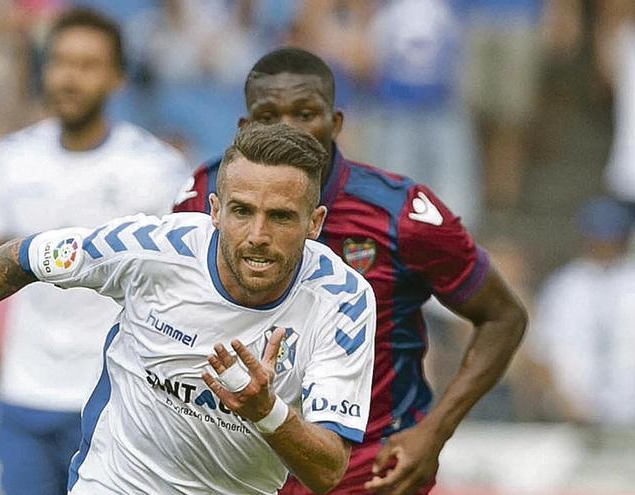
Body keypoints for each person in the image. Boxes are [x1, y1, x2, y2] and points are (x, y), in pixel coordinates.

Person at [0, 123, 378, 495]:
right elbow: (22, 256)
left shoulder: (344, 301)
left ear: (315, 223)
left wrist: (267, 411)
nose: (258, 235)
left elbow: (328, 469)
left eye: (281, 217)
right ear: (214, 210)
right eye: (241, 212)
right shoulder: (151, 248)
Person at [173, 48, 528, 495]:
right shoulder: (203, 197)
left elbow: (503, 316)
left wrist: (434, 432)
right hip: (239, 471)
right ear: (244, 127)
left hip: (366, 470)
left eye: (305, 113)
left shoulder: (399, 214)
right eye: (268, 115)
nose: (288, 129)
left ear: (335, 123)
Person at [0, 8, 187, 495]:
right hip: (26, 397)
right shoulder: (10, 161)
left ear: (117, 78)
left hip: (117, 402)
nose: (71, 76)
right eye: (61, 62)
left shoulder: (156, 172)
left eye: (88, 65)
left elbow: (178, 285)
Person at [528, 197, 635, 425]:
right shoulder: (564, 286)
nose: (605, 245)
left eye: (612, 238)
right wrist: (563, 402)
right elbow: (540, 350)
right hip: (573, 414)